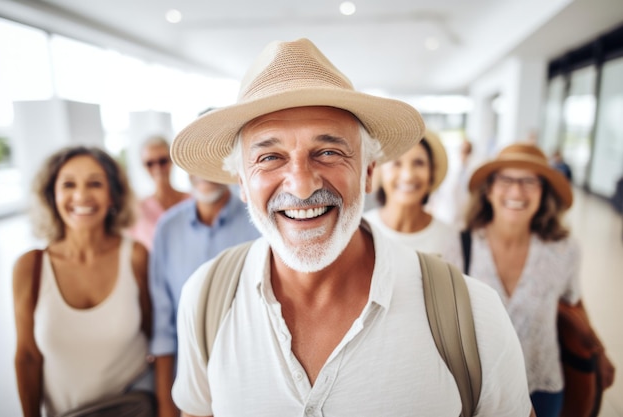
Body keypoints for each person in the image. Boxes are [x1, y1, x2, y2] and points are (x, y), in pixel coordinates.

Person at [169, 38, 533, 416]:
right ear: (243, 183)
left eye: (328, 152)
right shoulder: (206, 297)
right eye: (270, 157)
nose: (302, 184)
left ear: (369, 172)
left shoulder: (473, 315)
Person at [442, 142, 615, 417]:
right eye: (506, 179)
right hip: (477, 385)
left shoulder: (563, 249)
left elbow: (574, 301)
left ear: (543, 191)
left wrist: (599, 350)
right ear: (489, 188)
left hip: (542, 381)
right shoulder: (460, 242)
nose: (516, 191)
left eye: (529, 182)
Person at [12, 146, 156, 417]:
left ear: (113, 195)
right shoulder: (30, 268)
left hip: (136, 408)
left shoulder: (136, 256)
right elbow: (27, 358)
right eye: (68, 184)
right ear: (51, 196)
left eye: (95, 183)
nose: (81, 195)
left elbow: (154, 334)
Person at [149, 174, 260, 416]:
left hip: (251, 379)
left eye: (210, 164)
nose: (203, 172)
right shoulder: (167, 228)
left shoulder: (258, 219)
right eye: (194, 164)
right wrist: (166, 406)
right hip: (187, 381)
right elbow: (162, 326)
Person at [364, 129, 456, 256]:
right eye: (397, 163)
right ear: (380, 171)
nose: (408, 176)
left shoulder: (450, 238)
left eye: (419, 163)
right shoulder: (361, 232)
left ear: (432, 172)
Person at [127, 136, 190, 249]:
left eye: (163, 161)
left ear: (172, 161)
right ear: (143, 166)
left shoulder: (193, 201)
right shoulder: (137, 210)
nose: (157, 168)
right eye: (150, 163)